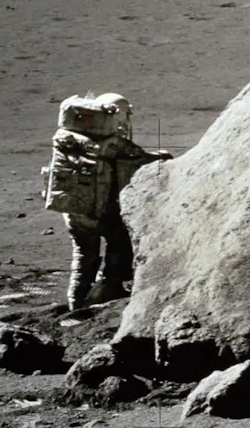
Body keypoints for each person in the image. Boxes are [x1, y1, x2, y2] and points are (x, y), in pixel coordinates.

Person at [42, 92, 171, 311]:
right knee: (120, 242)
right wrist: (163, 156)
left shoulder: (69, 138)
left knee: (83, 254)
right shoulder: (113, 143)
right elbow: (140, 158)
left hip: (74, 209)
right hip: (100, 211)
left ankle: (77, 302)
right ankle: (109, 288)